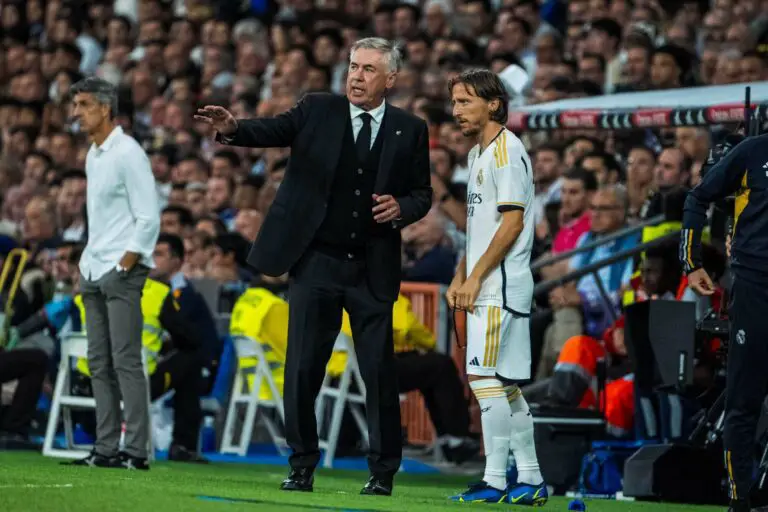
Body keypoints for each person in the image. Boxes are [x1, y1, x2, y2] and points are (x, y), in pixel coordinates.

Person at [195, 37, 431, 496]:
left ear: (390, 78)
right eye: (353, 66)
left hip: (372, 268)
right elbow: (274, 129)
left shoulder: (410, 128)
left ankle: (383, 472)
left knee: (378, 372)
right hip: (317, 262)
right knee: (303, 368)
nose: (356, 76)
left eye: (368, 69)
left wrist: (402, 207)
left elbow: (422, 193)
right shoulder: (318, 108)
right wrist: (234, 128)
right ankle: (301, 464)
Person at [445, 69, 546, 506]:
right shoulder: (478, 154)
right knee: (503, 385)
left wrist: (475, 278)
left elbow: (512, 224)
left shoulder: (507, 151)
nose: (456, 110)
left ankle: (495, 480)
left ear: (493, 104)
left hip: (499, 288)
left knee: (484, 379)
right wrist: (460, 273)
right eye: (454, 102)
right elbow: (481, 228)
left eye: (465, 101)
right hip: (489, 284)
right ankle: (532, 478)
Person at [64, 77, 161, 470]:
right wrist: (89, 262)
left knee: (125, 360)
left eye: (83, 105)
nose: (76, 113)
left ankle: (135, 451)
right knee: (99, 362)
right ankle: (105, 448)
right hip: (95, 266)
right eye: (75, 105)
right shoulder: (95, 154)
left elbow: (149, 216)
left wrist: (124, 264)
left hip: (120, 269)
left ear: (105, 108)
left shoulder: (128, 153)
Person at [680, 131, 768, 512]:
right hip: (754, 289)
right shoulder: (753, 152)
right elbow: (698, 197)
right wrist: (691, 262)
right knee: (744, 399)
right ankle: (739, 500)